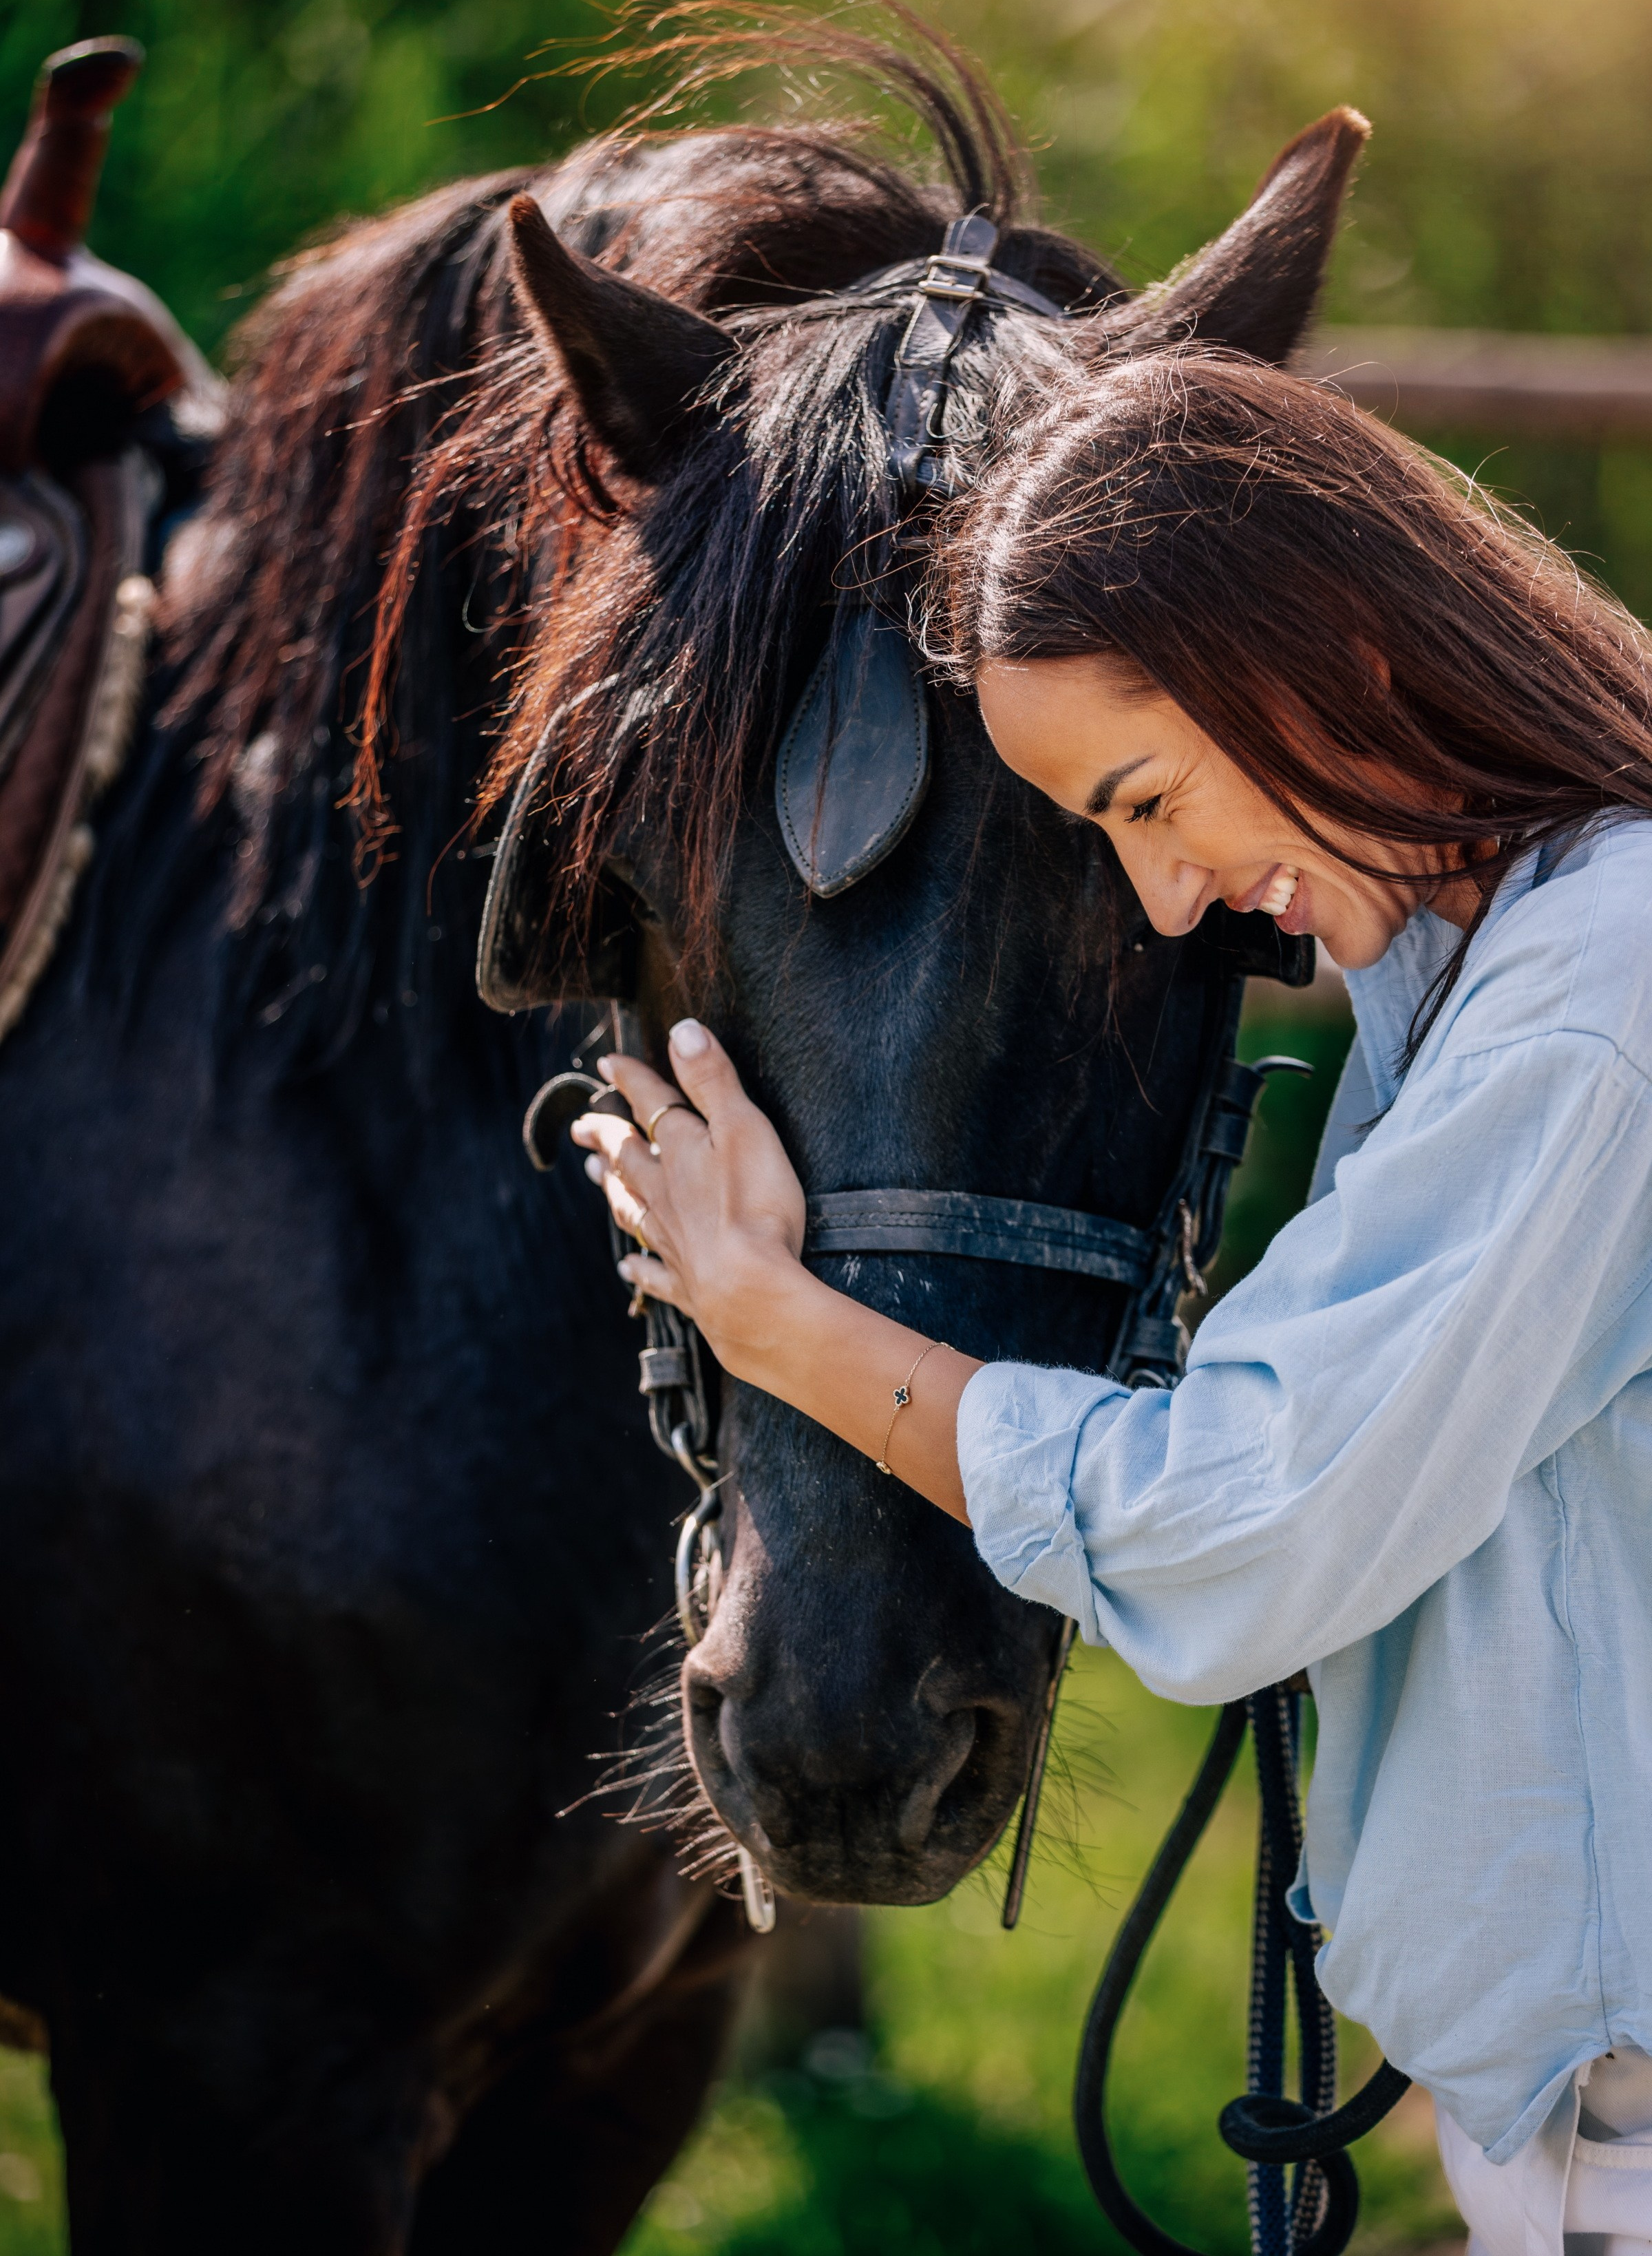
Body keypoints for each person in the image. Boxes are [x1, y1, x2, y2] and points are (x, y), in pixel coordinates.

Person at [571, 350, 1652, 2256]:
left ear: (1318, 646)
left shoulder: (1591, 1013)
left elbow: (1250, 1519)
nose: (1168, 905)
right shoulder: (1493, 974)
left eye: (1148, 799)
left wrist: (769, 1318)